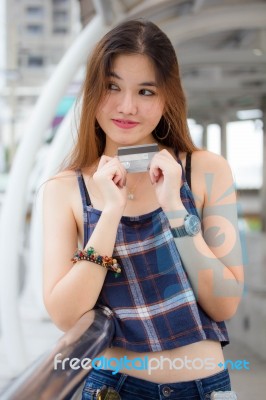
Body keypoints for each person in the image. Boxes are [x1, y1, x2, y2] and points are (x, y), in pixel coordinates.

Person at [43, 19, 244, 400]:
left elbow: (223, 302)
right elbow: (66, 317)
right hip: (113, 389)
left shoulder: (205, 170)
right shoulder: (65, 189)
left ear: (167, 97)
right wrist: (110, 214)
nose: (127, 106)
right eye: (112, 87)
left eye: (146, 91)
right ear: (93, 91)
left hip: (206, 388)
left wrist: (173, 205)